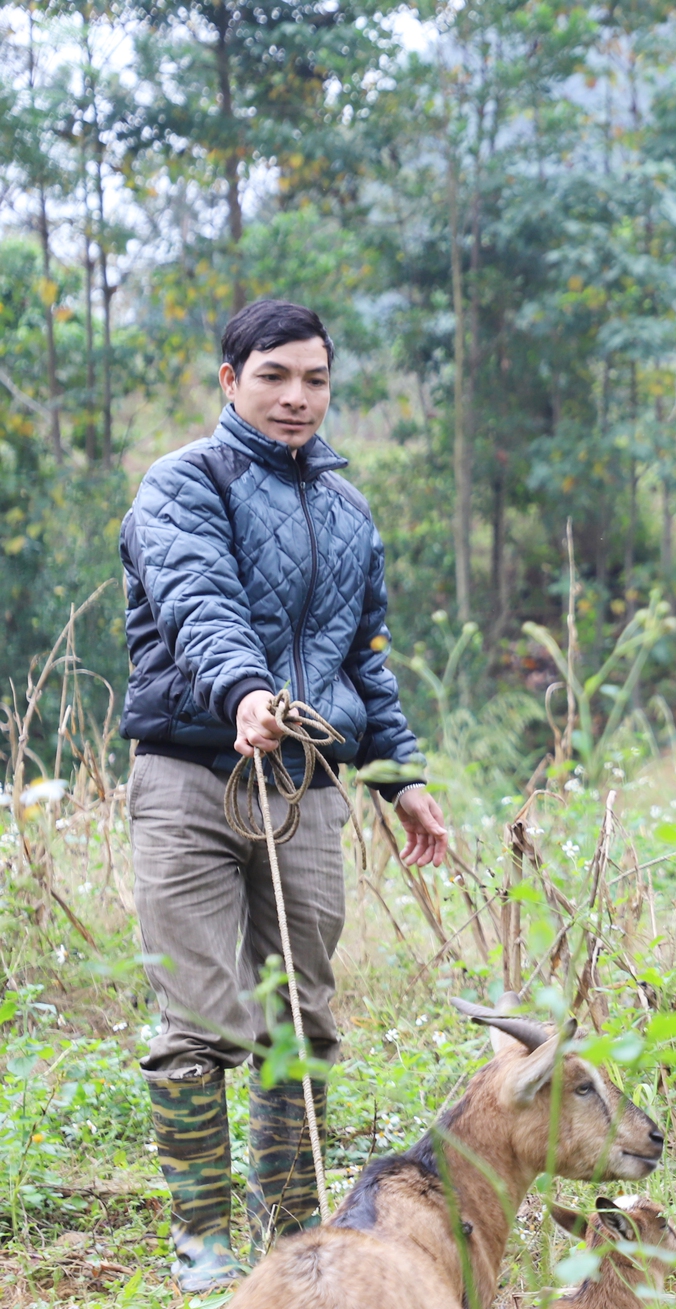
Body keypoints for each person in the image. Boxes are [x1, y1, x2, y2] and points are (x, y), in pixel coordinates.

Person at [121, 300, 450, 1289]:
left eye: (313, 378)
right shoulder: (182, 483)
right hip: (191, 773)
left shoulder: (348, 512)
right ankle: (201, 1244)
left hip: (305, 784)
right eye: (273, 376)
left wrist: (403, 779)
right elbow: (196, 602)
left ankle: (292, 1235)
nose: (296, 396)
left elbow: (367, 659)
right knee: (201, 1018)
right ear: (230, 380)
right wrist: (247, 691)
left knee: (302, 1013)